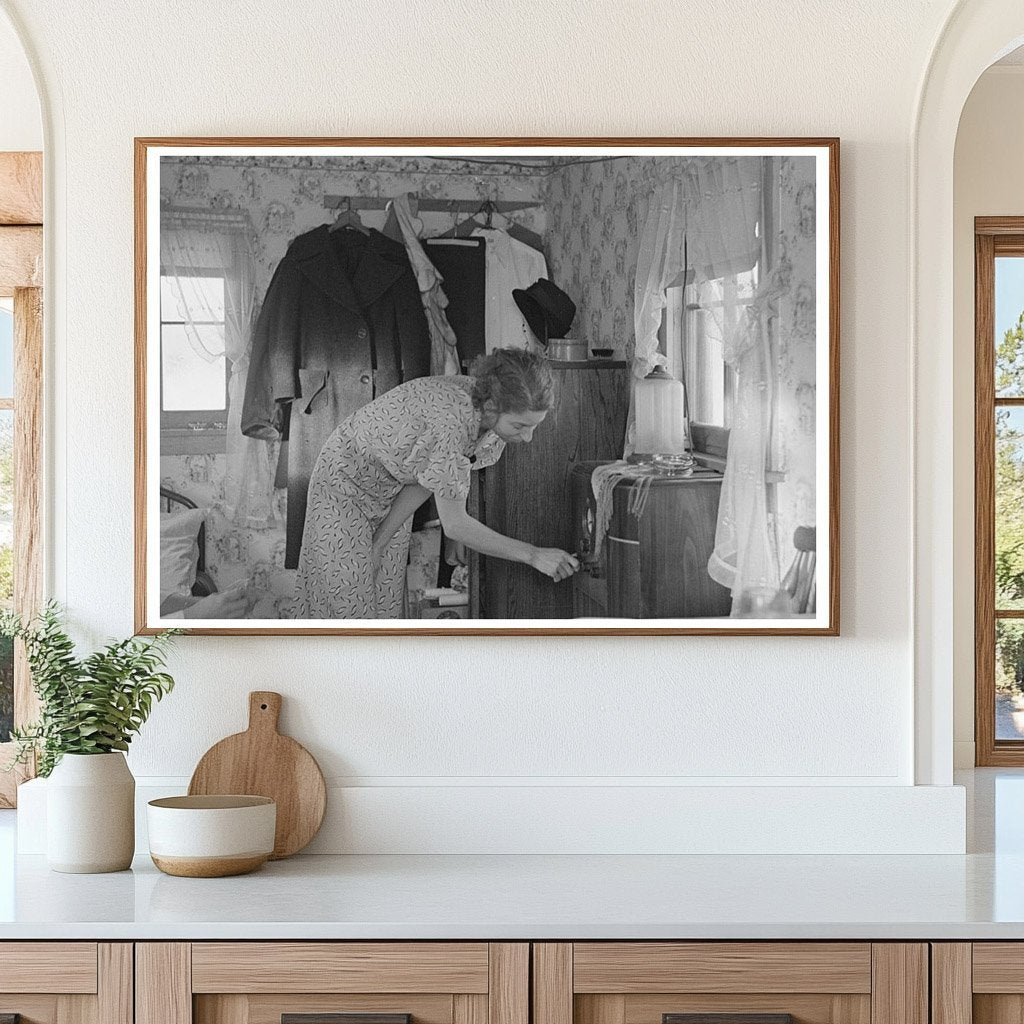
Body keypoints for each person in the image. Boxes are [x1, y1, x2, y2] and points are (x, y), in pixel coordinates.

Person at [294, 347, 580, 618]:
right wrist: (534, 555)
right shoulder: (452, 422)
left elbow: (425, 476)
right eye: (520, 426)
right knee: (346, 602)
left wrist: (380, 540)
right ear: (492, 407)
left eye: (533, 426)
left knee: (382, 600)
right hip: (343, 482)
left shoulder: (491, 414)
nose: (527, 438)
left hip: (391, 487)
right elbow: (454, 523)